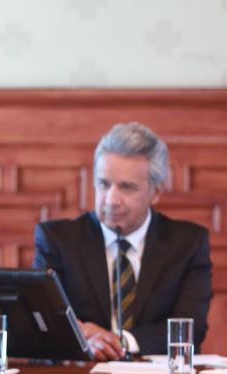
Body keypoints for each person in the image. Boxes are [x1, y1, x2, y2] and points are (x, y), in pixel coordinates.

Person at [33, 122, 213, 359]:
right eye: (104, 184)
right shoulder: (58, 240)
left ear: (156, 192)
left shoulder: (188, 243)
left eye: (126, 188)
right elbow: (44, 323)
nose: (111, 199)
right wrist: (84, 337)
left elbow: (190, 328)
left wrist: (120, 342)